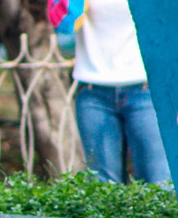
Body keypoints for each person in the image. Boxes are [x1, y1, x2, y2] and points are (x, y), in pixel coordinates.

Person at [48, 0, 172, 187]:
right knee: (104, 186)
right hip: (93, 93)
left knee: (159, 183)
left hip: (147, 91)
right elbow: (64, 23)